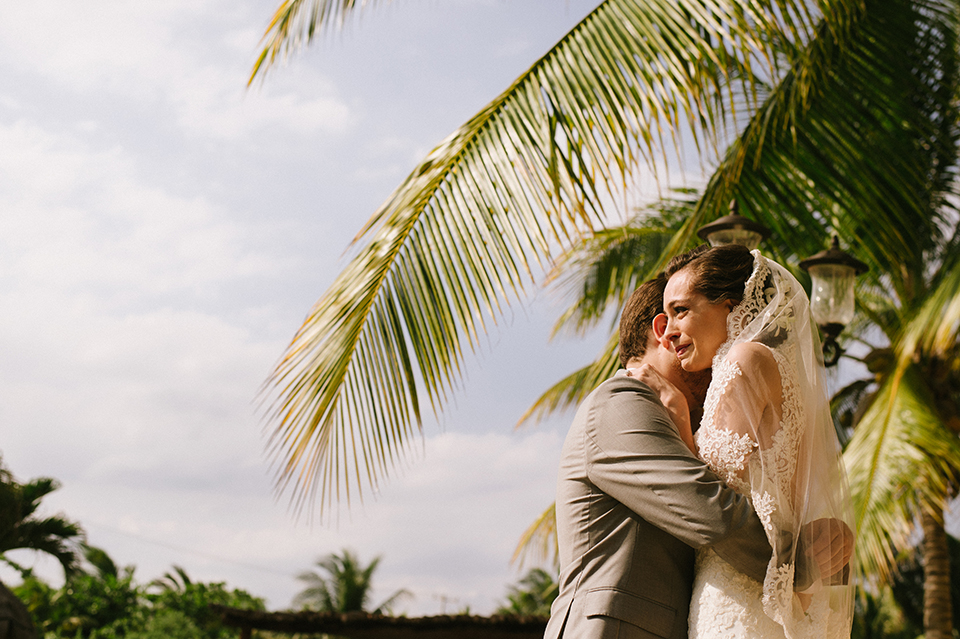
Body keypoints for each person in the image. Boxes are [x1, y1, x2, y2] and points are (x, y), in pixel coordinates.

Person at [544, 272, 775, 639]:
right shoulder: (620, 400)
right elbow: (711, 513)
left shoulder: (680, 417)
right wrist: (803, 560)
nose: (726, 357)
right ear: (666, 331)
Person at [654, 244, 855, 638]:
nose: (670, 332)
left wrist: (677, 412)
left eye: (681, 310)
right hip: (770, 588)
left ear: (729, 307)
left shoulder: (742, 361)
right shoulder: (778, 366)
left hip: (737, 589)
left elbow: (703, 486)